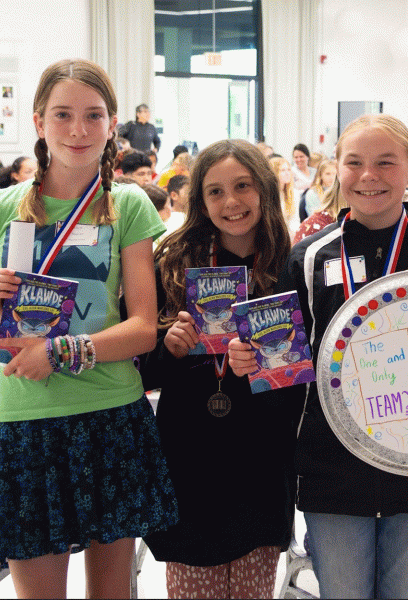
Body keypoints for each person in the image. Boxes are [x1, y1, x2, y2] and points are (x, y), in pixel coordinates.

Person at [229, 113, 408, 599]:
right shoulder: (309, 257)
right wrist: (253, 360)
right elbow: (286, 360)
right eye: (355, 163)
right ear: (336, 171)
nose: (369, 176)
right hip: (332, 466)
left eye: (386, 162)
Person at [0, 58, 176, 598]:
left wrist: (62, 351)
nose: (78, 130)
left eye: (93, 116)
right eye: (63, 115)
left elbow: (142, 328)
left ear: (113, 124)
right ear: (40, 120)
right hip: (27, 417)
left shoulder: (127, 204)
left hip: (108, 414)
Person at [139, 140, 297, 598]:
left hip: (261, 461)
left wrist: (265, 363)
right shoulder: (171, 263)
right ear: (199, 200)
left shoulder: (291, 263)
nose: (231, 202)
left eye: (242, 186)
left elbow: (301, 382)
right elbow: (142, 374)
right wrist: (169, 347)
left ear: (264, 189)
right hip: (190, 459)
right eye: (215, 191)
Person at [270, 156, 298, 236]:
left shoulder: (294, 193)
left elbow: (294, 221)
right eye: (282, 170)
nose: (287, 173)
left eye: (288, 170)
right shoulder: (267, 194)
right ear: (274, 173)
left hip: (288, 236)